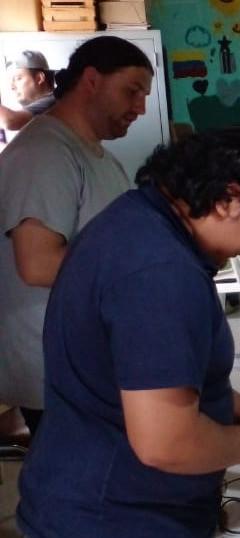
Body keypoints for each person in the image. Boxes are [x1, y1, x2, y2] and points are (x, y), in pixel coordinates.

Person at [16, 128, 240, 537]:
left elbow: (141, 373)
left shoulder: (134, 220)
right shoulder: (160, 271)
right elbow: (166, 442)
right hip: (114, 519)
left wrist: (236, 407)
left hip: (88, 496)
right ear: (228, 200)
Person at [0, 36, 154, 435]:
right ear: (91, 80)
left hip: (91, 360)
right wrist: (141, 265)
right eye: (132, 91)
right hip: (58, 371)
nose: (140, 108)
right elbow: (37, 263)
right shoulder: (44, 153)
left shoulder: (97, 155)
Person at [0, 50, 55, 130]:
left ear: (39, 78)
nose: (12, 87)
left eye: (18, 78)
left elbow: (11, 121)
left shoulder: (52, 101)